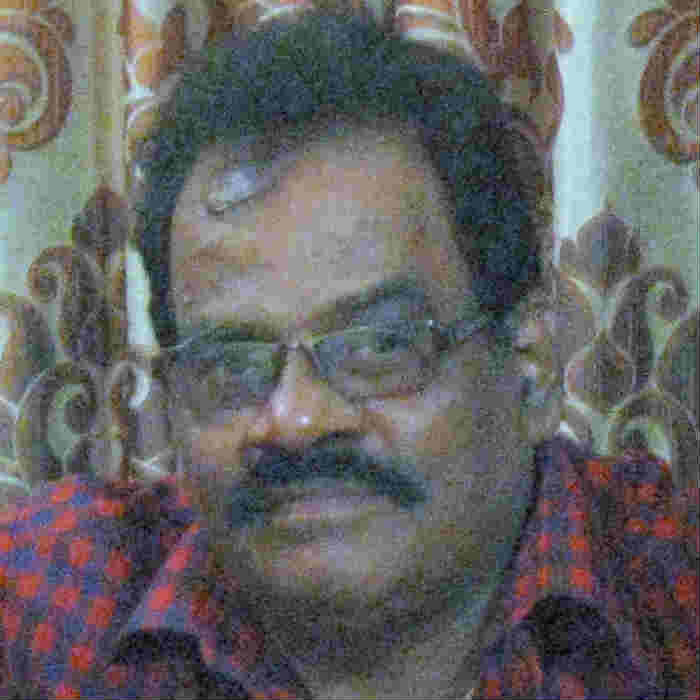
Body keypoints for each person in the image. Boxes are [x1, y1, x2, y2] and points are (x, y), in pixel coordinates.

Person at [1, 12, 697, 700]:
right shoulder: (51, 605)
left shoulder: (672, 598)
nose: (296, 421)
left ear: (532, 366)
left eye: (378, 346)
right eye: (232, 364)